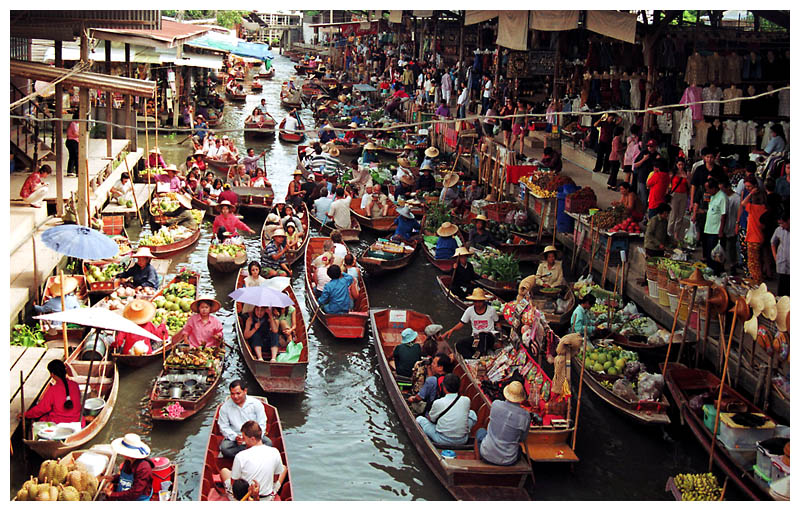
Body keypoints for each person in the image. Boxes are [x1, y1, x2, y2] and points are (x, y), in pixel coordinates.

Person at [219, 421, 287, 501]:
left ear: (252, 439)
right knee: (283, 468)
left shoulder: (240, 456)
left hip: (244, 498)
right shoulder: (275, 451)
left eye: (244, 438)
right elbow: (275, 479)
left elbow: (234, 484)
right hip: (267, 498)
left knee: (224, 471)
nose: (243, 441)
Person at [475, 381, 529, 466]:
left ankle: (478, 462)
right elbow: (522, 438)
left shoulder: (496, 405)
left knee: (480, 432)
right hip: (508, 458)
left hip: (488, 453)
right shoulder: (525, 416)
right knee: (518, 448)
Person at [416, 373, 477, 447]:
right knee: (472, 414)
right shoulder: (466, 400)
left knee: (419, 419)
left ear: (444, 387)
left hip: (442, 439)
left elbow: (431, 419)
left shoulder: (438, 402)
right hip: (462, 439)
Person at [218, 380, 270, 458]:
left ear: (245, 391)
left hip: (254, 437)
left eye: (238, 393)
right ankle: (251, 455)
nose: (235, 397)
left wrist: (255, 439)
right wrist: (235, 437)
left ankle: (243, 455)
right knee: (225, 448)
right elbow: (223, 426)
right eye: (232, 394)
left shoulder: (256, 404)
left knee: (269, 443)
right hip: (237, 438)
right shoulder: (225, 407)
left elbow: (262, 423)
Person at [442, 288, 500, 358]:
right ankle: (472, 358)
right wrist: (452, 330)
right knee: (459, 344)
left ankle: (480, 355)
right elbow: (461, 323)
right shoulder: (469, 310)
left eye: (480, 302)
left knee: (483, 335)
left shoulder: (491, 310)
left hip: (489, 337)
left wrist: (499, 339)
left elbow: (498, 323)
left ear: (484, 301)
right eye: (475, 302)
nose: (478, 304)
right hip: (476, 338)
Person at [22, 359, 82, 425]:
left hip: (58, 423)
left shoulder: (53, 390)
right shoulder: (75, 385)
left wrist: (26, 415)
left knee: (41, 419)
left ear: (52, 374)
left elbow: (42, 408)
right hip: (77, 421)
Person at [103, 434, 154, 500]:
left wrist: (112, 494)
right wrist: (113, 478)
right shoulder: (128, 461)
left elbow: (135, 493)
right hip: (124, 493)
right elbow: (125, 478)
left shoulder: (144, 468)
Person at [738, 177, 767, 283]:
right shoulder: (764, 208)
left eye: (749, 187)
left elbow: (743, 203)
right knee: (757, 263)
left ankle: (757, 283)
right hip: (759, 237)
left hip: (753, 238)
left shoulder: (754, 208)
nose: (747, 188)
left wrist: (749, 194)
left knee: (753, 265)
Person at [702, 178, 727, 274]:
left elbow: (723, 215)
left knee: (715, 254)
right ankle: (710, 268)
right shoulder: (712, 196)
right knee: (708, 251)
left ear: (714, 188)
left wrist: (721, 230)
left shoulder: (722, 197)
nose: (707, 191)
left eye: (708, 189)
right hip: (708, 228)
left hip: (716, 230)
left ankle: (716, 271)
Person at [633, 138, 662, 210]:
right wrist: (644, 159)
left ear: (655, 147)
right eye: (648, 146)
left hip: (652, 180)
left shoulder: (657, 155)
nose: (649, 148)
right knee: (643, 198)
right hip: (642, 178)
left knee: (650, 198)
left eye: (651, 146)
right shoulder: (644, 153)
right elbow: (635, 165)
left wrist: (659, 160)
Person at [667, 158, 690, 243]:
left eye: (682, 165)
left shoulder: (686, 174)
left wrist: (687, 178)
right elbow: (668, 184)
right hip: (675, 194)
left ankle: (676, 234)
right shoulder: (673, 174)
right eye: (679, 164)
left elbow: (689, 185)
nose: (680, 166)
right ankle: (669, 232)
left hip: (683, 195)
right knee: (673, 214)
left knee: (680, 216)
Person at [721, 180, 741, 273]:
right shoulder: (723, 197)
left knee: (731, 247)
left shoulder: (736, 198)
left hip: (732, 226)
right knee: (723, 246)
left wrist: (737, 224)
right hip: (724, 226)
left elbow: (738, 213)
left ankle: (732, 265)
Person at [771, 213, 789, 296]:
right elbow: (773, 243)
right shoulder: (779, 230)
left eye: (782, 223)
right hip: (782, 261)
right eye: (779, 224)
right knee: (781, 286)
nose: (781, 226)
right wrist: (775, 257)